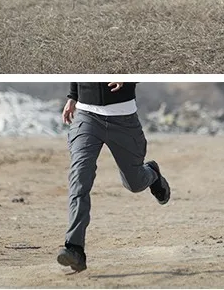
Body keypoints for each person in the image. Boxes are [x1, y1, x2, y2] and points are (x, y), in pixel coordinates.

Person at [56, 82, 170, 273]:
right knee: (79, 178)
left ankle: (152, 174)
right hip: (86, 117)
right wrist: (73, 96)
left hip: (123, 119)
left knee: (134, 183)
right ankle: (74, 248)